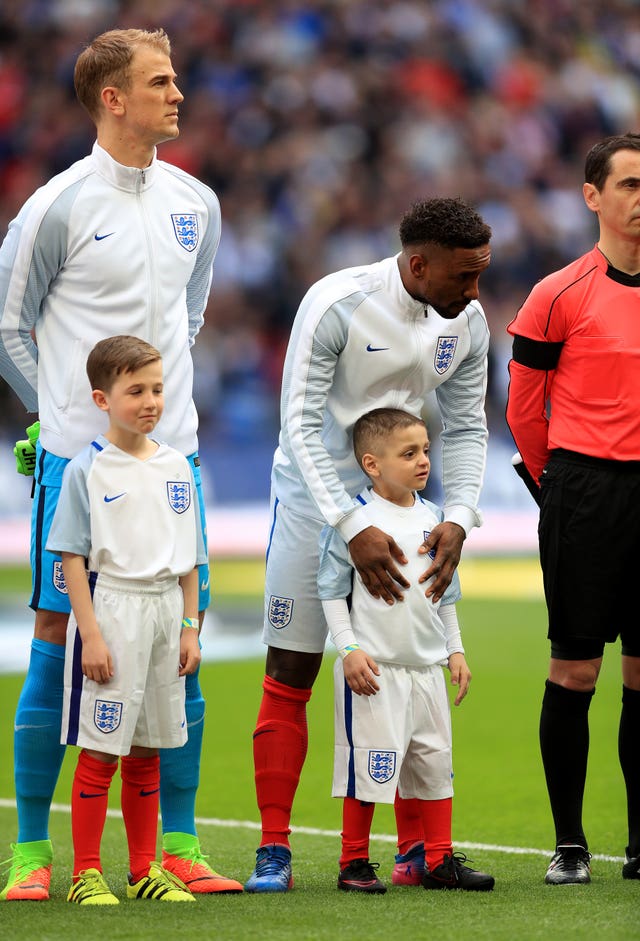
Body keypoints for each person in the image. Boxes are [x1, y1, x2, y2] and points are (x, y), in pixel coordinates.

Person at [0, 28, 243, 900]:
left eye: (175, 80)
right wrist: (60, 419)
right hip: (76, 464)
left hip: (176, 465)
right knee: (60, 638)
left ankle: (174, 844)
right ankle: (30, 851)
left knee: (181, 645)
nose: (178, 94)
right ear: (113, 97)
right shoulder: (57, 206)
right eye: (160, 82)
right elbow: (7, 325)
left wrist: (155, 424)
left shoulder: (197, 204)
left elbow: (188, 322)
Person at [245, 196, 492, 892]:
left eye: (481, 275)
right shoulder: (336, 303)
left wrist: (461, 516)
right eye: (464, 276)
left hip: (407, 515)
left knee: (410, 670)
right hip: (313, 510)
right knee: (289, 673)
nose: (475, 292)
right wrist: (349, 525)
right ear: (418, 264)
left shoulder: (466, 323)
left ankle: (416, 853)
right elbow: (296, 422)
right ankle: (274, 847)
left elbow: (467, 426)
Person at [506, 131, 640, 886]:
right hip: (585, 491)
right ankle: (570, 843)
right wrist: (556, 488)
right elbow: (525, 410)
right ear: (593, 196)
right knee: (577, 670)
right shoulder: (557, 295)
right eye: (627, 184)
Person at [49, 336, 204, 904]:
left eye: (157, 389)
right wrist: (90, 635)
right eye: (135, 390)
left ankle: (144, 872)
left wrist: (190, 626)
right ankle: (85, 873)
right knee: (100, 748)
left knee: (148, 748)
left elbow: (191, 555)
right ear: (102, 398)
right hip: (113, 609)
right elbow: (71, 556)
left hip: (167, 612)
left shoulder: (175, 466)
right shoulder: (87, 469)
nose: (150, 401)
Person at [318, 407, 494, 894]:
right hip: (375, 670)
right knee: (369, 766)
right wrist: (349, 649)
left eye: (425, 451)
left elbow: (445, 593)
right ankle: (353, 862)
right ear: (372, 464)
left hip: (426, 669)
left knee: (435, 765)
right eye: (409, 453)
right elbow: (331, 590)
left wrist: (454, 652)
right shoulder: (354, 522)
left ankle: (438, 861)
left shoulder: (435, 518)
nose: (423, 461)